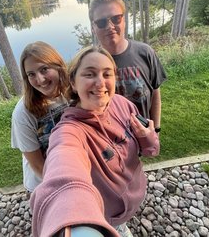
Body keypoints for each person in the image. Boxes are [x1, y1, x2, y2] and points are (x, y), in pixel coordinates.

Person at [30, 46, 160, 237]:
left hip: (132, 203)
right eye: (90, 74)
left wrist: (147, 137)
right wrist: (70, 222)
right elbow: (64, 169)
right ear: (73, 83)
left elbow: (151, 150)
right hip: (107, 219)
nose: (100, 83)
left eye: (107, 74)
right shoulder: (69, 131)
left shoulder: (122, 104)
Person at [89, 0, 167, 134]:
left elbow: (155, 92)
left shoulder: (145, 53)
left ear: (124, 20)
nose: (110, 26)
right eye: (101, 22)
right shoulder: (88, 63)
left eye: (116, 18)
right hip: (107, 142)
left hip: (142, 136)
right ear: (93, 28)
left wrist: (155, 129)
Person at [11, 41, 69, 193]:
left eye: (44, 69)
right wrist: (63, 189)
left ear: (58, 66)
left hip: (74, 170)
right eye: (31, 74)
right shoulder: (23, 113)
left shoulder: (73, 93)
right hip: (45, 183)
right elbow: (37, 165)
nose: (40, 80)